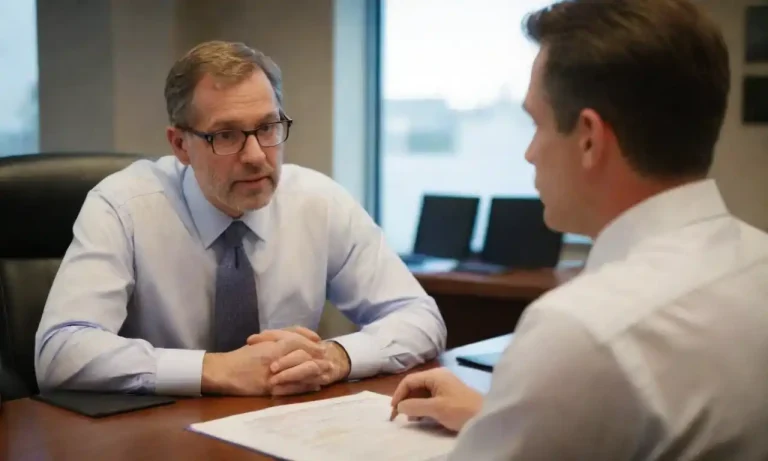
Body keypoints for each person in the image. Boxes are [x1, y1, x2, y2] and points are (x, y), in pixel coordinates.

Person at [390, 0, 768, 459]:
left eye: (536, 123)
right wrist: (503, 416)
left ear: (589, 137)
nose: (529, 153)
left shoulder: (582, 331)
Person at [35, 40, 446, 397]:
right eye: (226, 135)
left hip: (281, 429)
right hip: (158, 435)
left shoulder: (319, 202)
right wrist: (214, 369)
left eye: (267, 127)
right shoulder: (123, 206)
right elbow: (60, 351)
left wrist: (337, 357)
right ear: (180, 144)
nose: (255, 156)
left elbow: (421, 318)